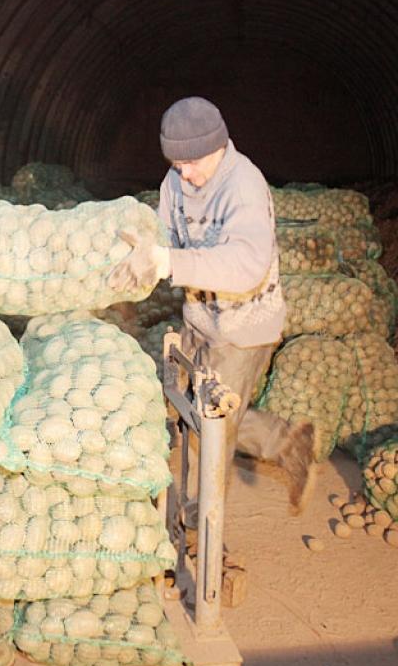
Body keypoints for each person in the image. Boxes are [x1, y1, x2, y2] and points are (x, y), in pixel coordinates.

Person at [109, 96, 316, 515]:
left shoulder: (244, 186)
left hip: (244, 326)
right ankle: (287, 441)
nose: (185, 173)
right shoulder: (176, 181)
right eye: (176, 164)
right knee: (186, 409)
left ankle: (203, 524)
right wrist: (138, 257)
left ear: (219, 146)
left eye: (193, 162)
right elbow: (164, 232)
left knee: (212, 429)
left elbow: (245, 266)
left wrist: (170, 262)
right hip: (201, 317)